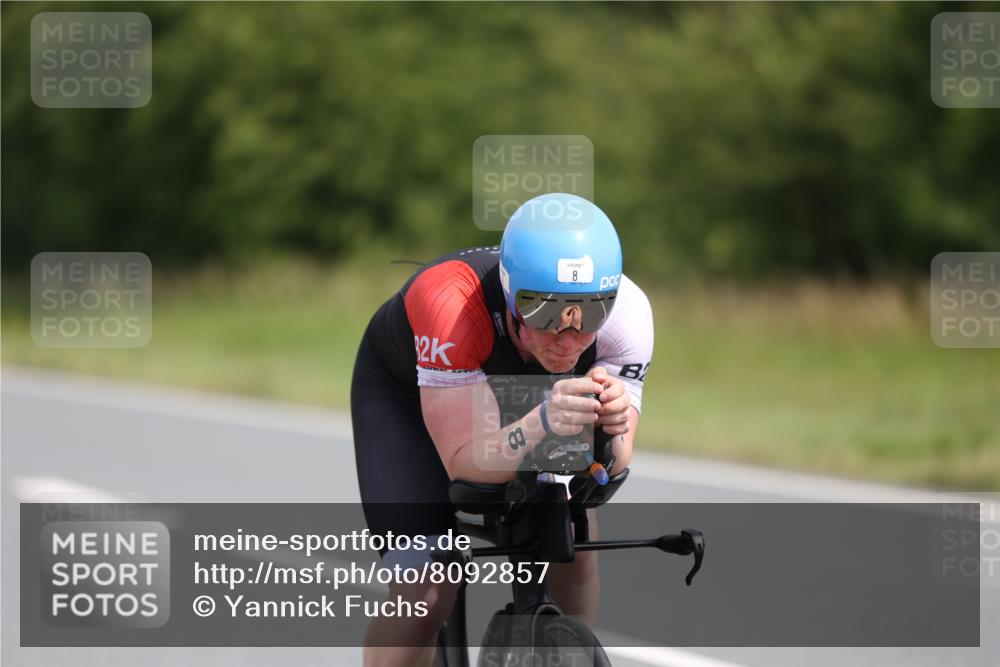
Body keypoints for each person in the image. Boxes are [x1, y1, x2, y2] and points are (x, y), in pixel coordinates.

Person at [351, 192, 654, 666]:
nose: (568, 337)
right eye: (545, 313)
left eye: (589, 313)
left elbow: (610, 468)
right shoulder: (451, 303)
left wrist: (610, 430)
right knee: (426, 591)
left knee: (573, 552)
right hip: (410, 395)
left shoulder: (630, 316)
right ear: (511, 297)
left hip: (533, 394)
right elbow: (465, 463)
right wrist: (543, 421)